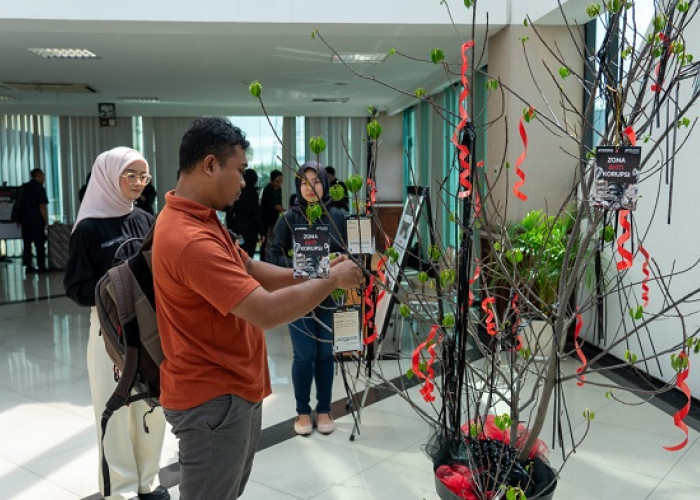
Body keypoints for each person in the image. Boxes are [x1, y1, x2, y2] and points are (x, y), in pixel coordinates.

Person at [151, 117, 362, 500]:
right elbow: (265, 312)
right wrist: (331, 281)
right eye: (241, 170)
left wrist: (316, 269)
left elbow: (248, 268)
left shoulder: (202, 219)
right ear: (210, 164)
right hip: (213, 399)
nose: (245, 182)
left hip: (230, 390)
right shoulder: (188, 239)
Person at [63, 147, 169, 500]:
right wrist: (114, 291)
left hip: (148, 326)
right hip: (109, 330)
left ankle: (147, 481)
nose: (139, 183)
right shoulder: (88, 228)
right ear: (109, 176)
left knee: (150, 403)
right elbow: (75, 288)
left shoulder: (145, 219)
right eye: (131, 175)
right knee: (114, 407)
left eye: (144, 176)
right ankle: (120, 490)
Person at [270, 161, 349, 436]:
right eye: (304, 182)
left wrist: (334, 262)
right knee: (304, 355)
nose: (310, 187)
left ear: (325, 183)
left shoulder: (338, 216)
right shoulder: (289, 219)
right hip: (298, 295)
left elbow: (349, 254)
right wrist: (297, 264)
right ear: (298, 186)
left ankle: (324, 409)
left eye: (315, 181)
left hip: (329, 294)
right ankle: (303, 411)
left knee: (326, 355)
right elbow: (273, 254)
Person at [15, 168, 49, 273]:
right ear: (38, 175)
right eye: (43, 175)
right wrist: (46, 221)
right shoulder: (39, 188)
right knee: (39, 245)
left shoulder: (23, 187)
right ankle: (41, 266)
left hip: (25, 222)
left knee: (27, 245)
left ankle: (28, 267)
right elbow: (42, 206)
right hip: (37, 222)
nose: (44, 178)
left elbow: (18, 205)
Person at [225, 168, 263, 257]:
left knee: (238, 255)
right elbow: (256, 214)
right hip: (251, 230)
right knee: (249, 256)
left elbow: (229, 212)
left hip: (237, 228)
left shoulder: (236, 192)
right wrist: (261, 231)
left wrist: (230, 228)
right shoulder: (253, 194)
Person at [260, 169, 284, 261]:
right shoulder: (268, 190)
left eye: (281, 181)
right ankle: (266, 260)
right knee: (267, 241)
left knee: (273, 239)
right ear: (272, 180)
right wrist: (286, 211)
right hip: (266, 219)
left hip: (275, 218)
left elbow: (279, 204)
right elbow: (275, 205)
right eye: (277, 181)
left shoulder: (279, 189)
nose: (279, 184)